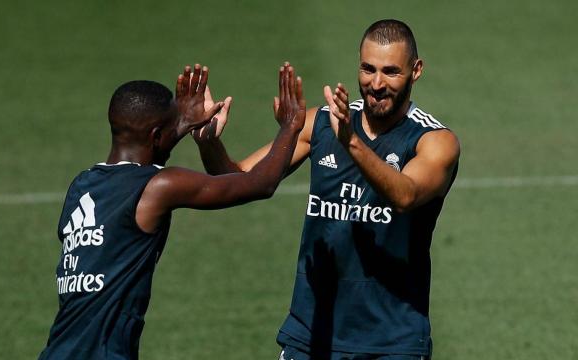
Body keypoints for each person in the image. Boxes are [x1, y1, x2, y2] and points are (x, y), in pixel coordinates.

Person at [194, 20, 460, 359]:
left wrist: (350, 142)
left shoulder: (434, 141)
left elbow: (405, 195)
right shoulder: (320, 123)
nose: (376, 84)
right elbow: (239, 179)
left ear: (416, 70)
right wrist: (208, 141)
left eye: (391, 72)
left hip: (392, 342)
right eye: (368, 69)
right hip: (310, 334)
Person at [38, 62, 306, 359]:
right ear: (155, 135)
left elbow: (148, 153)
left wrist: (182, 126)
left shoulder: (82, 186)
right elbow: (259, 184)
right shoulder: (158, 186)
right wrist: (291, 126)